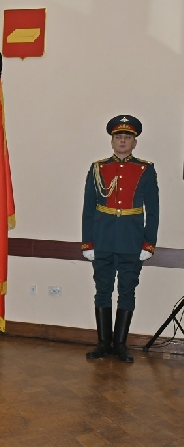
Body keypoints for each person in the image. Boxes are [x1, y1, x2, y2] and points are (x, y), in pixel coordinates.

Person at [82, 115, 159, 363]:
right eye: (118, 137)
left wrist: (149, 242)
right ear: (112, 141)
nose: (122, 141)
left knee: (127, 290)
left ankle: (120, 345)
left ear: (134, 142)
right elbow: (88, 208)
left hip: (131, 240)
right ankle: (103, 343)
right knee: (102, 289)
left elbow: (153, 210)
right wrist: (87, 242)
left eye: (127, 137)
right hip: (102, 238)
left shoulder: (146, 169)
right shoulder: (98, 168)